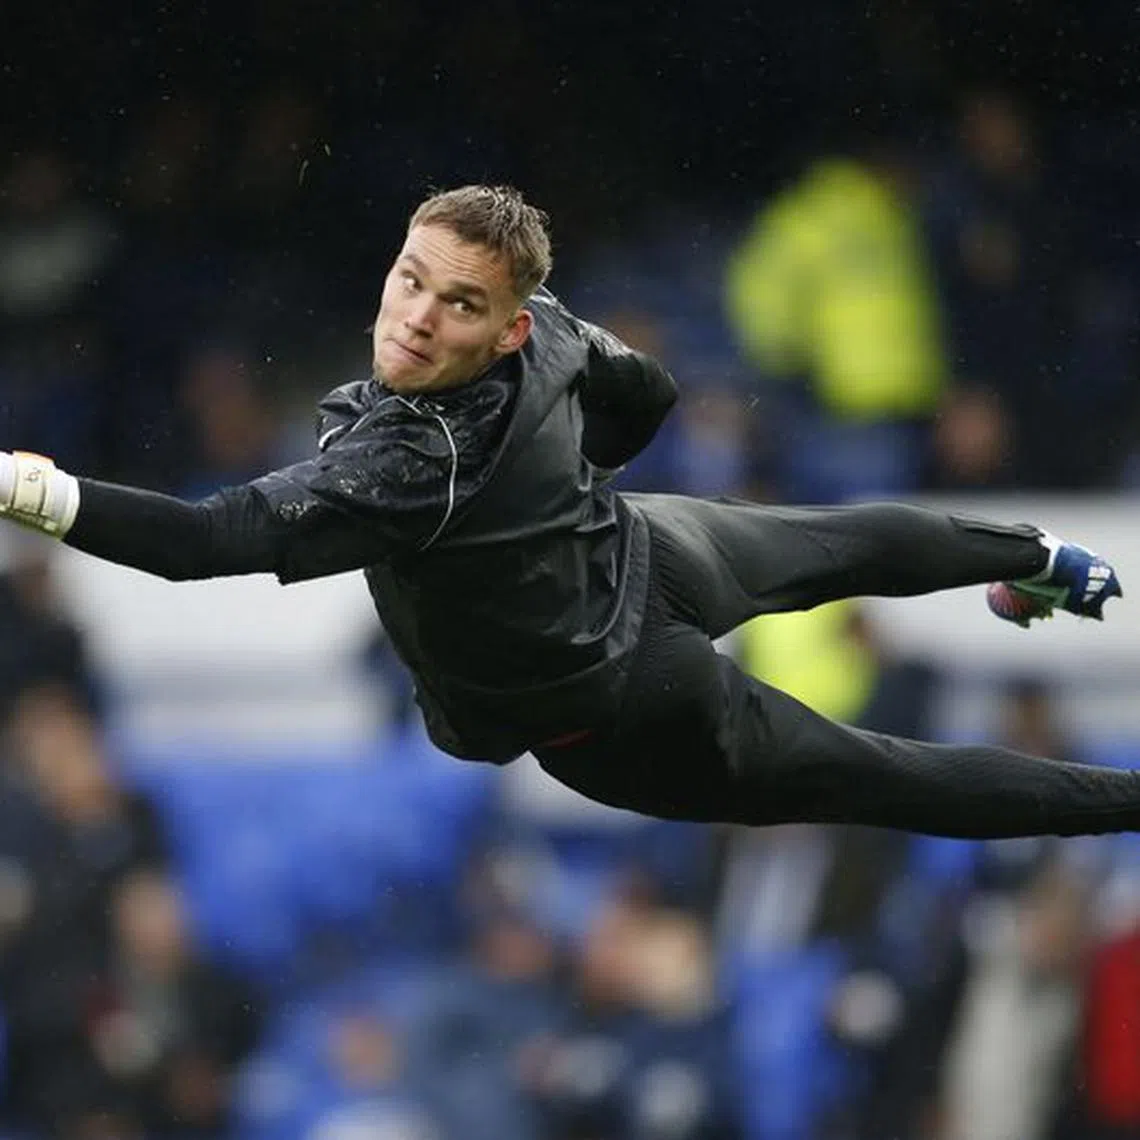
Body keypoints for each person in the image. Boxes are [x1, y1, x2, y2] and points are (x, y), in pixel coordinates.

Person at [0, 184, 1129, 841]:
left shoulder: (408, 460)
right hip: (648, 545)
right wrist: (567, 480)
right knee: (848, 540)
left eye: (458, 304)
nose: (417, 317)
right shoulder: (554, 327)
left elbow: (203, 545)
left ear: (502, 326)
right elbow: (647, 395)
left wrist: (29, 488)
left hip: (622, 707)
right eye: (411, 279)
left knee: (889, 779)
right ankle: (1044, 560)